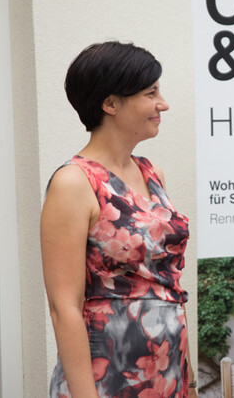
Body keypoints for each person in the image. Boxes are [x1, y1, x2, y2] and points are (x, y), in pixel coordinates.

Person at [40, 41, 197, 398]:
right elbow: (63, 306)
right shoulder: (74, 182)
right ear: (110, 103)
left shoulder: (151, 171)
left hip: (167, 372)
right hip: (106, 375)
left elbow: (165, 287)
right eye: (150, 93)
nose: (163, 104)